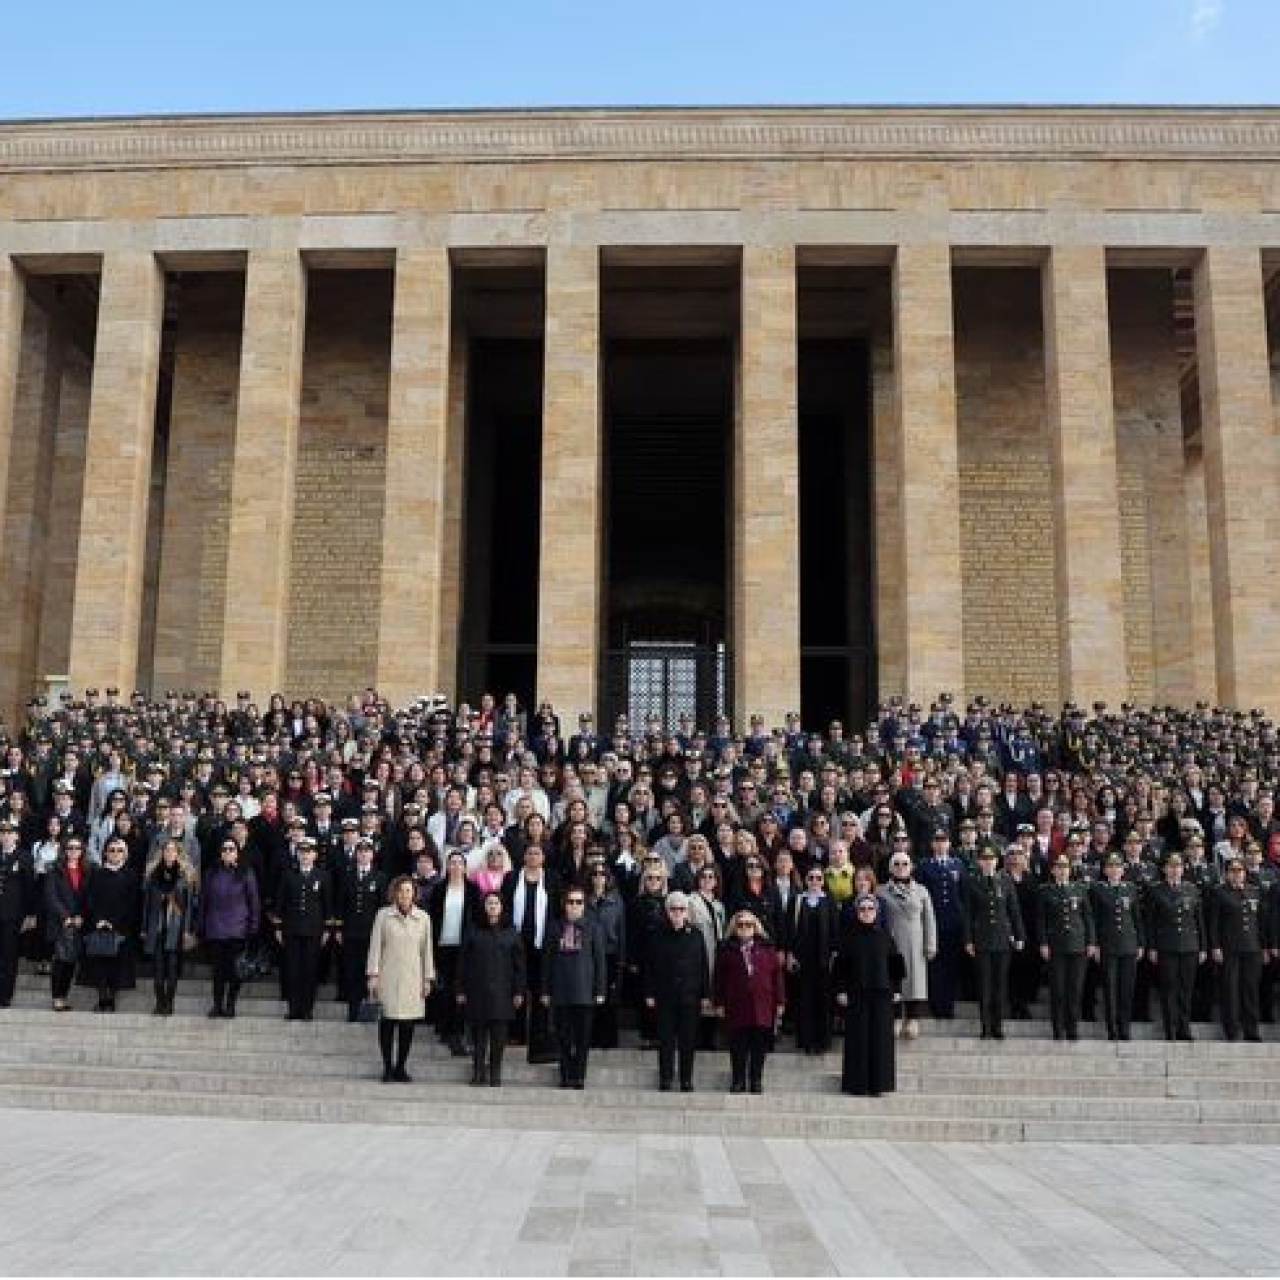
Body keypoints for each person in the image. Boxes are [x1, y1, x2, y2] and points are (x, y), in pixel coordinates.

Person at [834, 894, 905, 1096]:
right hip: (856, 995)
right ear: (857, 913)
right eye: (862, 909)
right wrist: (841, 991)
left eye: (870, 909)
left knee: (880, 1041)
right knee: (858, 1040)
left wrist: (897, 990)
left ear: (876, 912)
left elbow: (896, 967)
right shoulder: (847, 938)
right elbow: (840, 968)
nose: (866, 913)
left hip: (882, 995)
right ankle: (858, 1085)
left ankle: (879, 1085)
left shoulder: (887, 937)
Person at [366, 874, 435, 1082]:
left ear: (415, 893)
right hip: (388, 976)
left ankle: (401, 1067)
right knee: (387, 1023)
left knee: (407, 1026)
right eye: (401, 890)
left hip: (413, 978)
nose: (405, 894)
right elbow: (376, 946)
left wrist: (427, 978)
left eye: (408, 890)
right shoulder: (383, 915)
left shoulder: (423, 918)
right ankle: (387, 1067)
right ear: (394, 893)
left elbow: (427, 951)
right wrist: (373, 975)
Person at [457, 891, 526, 1086]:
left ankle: (495, 1073)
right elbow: (463, 962)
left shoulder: (512, 932)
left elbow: (520, 966)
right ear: (484, 906)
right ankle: (478, 1072)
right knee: (479, 1036)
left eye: (496, 903)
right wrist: (460, 989)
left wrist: (519, 991)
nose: (493, 906)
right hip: (477, 990)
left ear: (502, 907)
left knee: (498, 1037)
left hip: (503, 993)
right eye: (489, 903)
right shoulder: (473, 930)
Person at [645, 891, 712, 1092]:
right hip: (665, 996)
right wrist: (649, 993)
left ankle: (686, 1079)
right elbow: (649, 966)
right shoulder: (656, 935)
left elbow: (703, 966)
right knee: (665, 1041)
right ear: (667, 912)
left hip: (690, 997)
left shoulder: (697, 935)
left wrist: (705, 994)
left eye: (681, 909)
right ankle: (665, 1079)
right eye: (673, 909)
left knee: (688, 1041)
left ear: (687, 913)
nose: (677, 913)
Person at [714, 910, 785, 1093]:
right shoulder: (726, 948)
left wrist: (780, 1002)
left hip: (762, 1004)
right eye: (741, 925)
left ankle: (756, 1080)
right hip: (736, 1004)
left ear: (755, 927)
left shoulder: (768, 948)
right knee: (738, 1046)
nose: (745, 928)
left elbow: (777, 977)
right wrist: (719, 1002)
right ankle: (738, 1080)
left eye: (749, 924)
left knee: (759, 1047)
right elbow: (719, 978)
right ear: (734, 928)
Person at [542, 887, 607, 1089]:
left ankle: (579, 1076)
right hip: (561, 992)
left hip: (585, 993)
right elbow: (547, 961)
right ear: (565, 904)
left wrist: (600, 990)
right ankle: (565, 1075)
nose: (574, 906)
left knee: (582, 1038)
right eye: (571, 902)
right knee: (563, 1038)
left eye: (579, 902)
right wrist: (545, 990)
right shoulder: (554, 927)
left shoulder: (593, 927)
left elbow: (600, 961)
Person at [962, 845, 1025, 1040]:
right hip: (982, 939)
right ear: (979, 861)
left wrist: (1020, 935)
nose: (988, 862)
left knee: (1000, 986)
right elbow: (967, 913)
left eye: (992, 859)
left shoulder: (1005, 881)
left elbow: (1014, 911)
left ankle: (998, 1026)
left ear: (997, 861)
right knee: (985, 986)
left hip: (1002, 940)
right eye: (984, 858)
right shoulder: (972, 881)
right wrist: (968, 939)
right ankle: (986, 1026)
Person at [1144, 852, 1206, 1041]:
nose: (1174, 870)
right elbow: (1151, 922)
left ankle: (1184, 1028)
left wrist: (1203, 947)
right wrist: (1152, 947)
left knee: (1186, 989)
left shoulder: (1192, 889)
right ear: (1164, 869)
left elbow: (1199, 921)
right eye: (1171, 866)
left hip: (1189, 945)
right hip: (1166, 945)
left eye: (1178, 867)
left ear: (1183, 869)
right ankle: (1170, 1028)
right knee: (1169, 988)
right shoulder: (1156, 890)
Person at [877, 850, 936, 1040]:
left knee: (915, 982)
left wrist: (931, 943)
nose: (901, 868)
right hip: (891, 943)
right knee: (893, 981)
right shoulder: (881, 891)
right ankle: (894, 1018)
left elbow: (929, 919)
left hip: (915, 943)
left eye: (904, 864)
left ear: (911, 867)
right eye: (896, 864)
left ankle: (912, 1019)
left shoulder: (922, 890)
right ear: (890, 868)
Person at [199, 838, 261, 1019]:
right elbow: (204, 901)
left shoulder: (246, 872)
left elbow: (254, 902)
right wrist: (201, 924)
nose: (227, 852)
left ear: (237, 852)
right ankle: (217, 1004)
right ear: (220, 852)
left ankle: (230, 1004)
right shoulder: (211, 873)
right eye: (224, 849)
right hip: (216, 930)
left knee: (236, 971)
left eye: (231, 849)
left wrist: (253, 926)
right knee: (217, 971)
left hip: (238, 930)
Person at [272, 839, 333, 1021]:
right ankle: (293, 1009)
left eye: (309, 852)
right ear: (298, 855)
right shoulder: (289, 875)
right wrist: (278, 927)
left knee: (309, 971)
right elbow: (280, 903)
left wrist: (327, 930)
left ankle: (307, 1010)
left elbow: (327, 906)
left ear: (314, 855)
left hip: (314, 931)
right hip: (292, 930)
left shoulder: (323, 876)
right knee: (292, 971)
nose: (305, 856)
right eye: (302, 852)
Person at [1038, 853, 1097, 1041]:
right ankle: (1058, 1028)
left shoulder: (1079, 889)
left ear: (1070, 870)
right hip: (1056, 945)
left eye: (1065, 868)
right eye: (1059, 868)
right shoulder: (1045, 890)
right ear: (1053, 870)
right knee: (1058, 990)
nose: (1062, 871)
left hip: (1078, 946)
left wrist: (1091, 942)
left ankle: (1072, 1028)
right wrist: (1043, 943)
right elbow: (1041, 920)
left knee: (1075, 989)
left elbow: (1088, 917)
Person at [428, 850, 481, 1055]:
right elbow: (433, 917)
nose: (456, 866)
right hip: (443, 945)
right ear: (447, 867)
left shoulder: (473, 890)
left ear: (465, 867)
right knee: (444, 988)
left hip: (464, 946)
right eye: (452, 863)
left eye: (460, 863)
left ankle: (458, 1030)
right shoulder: (439, 889)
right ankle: (444, 1027)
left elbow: (476, 919)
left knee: (460, 988)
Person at [783, 865, 839, 1053]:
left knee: (824, 1000)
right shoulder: (797, 900)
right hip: (803, 960)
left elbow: (835, 931)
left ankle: (823, 1041)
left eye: (818, 878)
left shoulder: (829, 901)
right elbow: (789, 929)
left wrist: (834, 955)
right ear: (805, 880)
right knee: (804, 1000)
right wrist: (790, 954)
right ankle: (806, 1041)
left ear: (823, 881)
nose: (815, 881)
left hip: (824, 960)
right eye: (811, 878)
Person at [80, 836, 140, 1013]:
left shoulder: (131, 875)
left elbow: (132, 902)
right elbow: (89, 898)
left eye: (119, 850)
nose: (115, 853)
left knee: (117, 965)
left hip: (122, 927)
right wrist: (98, 919)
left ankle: (111, 999)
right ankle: (101, 998)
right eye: (112, 850)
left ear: (125, 854)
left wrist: (114, 922)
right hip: (97, 925)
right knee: (99, 964)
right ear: (105, 853)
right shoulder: (96, 873)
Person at [1207, 857, 1264, 1041]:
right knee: (1230, 990)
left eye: (1240, 871)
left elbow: (1260, 922)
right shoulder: (1219, 893)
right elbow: (1213, 923)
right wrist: (1215, 946)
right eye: (1233, 871)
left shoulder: (1254, 891)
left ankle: (1251, 1030)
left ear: (1245, 873)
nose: (1237, 874)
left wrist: (1263, 946)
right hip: (1229, 948)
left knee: (1250, 990)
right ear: (1227, 874)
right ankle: (1232, 1030)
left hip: (1252, 947)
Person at [1090, 851, 1145, 1041]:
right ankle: (1112, 1027)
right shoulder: (1098, 889)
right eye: (1111, 867)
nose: (1114, 870)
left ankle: (1125, 1027)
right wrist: (1095, 943)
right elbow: (1093, 919)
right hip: (1107, 944)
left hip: (1129, 944)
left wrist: (1141, 943)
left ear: (1123, 870)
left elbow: (1137, 918)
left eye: (1118, 867)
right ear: (1105, 870)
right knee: (1110, 988)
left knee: (1127, 989)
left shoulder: (1130, 889)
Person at [140, 837, 197, 1016]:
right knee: (157, 967)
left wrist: (187, 929)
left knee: (172, 966)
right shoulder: (153, 875)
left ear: (178, 854)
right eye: (167, 850)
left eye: (173, 850)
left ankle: (169, 1002)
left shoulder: (184, 876)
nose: (169, 853)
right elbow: (146, 904)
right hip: (156, 926)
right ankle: (160, 1002)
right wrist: (144, 927)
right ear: (162, 853)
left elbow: (188, 906)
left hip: (176, 926)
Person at [334, 838, 388, 1022]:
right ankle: (353, 1009)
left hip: (371, 933)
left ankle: (368, 1009)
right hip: (350, 932)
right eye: (361, 851)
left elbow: (383, 908)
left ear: (372, 855)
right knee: (351, 971)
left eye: (367, 851)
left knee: (369, 971)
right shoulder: (348, 876)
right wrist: (339, 928)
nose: (364, 855)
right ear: (356, 854)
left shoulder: (379, 877)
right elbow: (341, 903)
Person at [585, 860, 626, 1049]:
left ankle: (609, 1040)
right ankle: (591, 1038)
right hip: (589, 956)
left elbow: (622, 931)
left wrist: (621, 959)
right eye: (595, 874)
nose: (598, 878)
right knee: (591, 997)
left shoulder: (616, 901)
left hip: (610, 955)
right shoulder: (583, 900)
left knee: (610, 1000)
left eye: (602, 874)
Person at [45, 837, 89, 1012]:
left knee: (71, 962)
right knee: (60, 961)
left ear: (82, 851)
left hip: (78, 923)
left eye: (77, 848)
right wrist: (65, 917)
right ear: (64, 850)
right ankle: (56, 998)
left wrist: (81, 916)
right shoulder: (54, 869)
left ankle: (63, 996)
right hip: (60, 922)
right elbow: (51, 896)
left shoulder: (87, 870)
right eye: (70, 847)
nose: (73, 851)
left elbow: (88, 897)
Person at [0, 818, 36, 1007]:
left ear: (17, 836)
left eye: (9, 833)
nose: (5, 836)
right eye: (3, 833)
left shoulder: (24, 857)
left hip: (12, 915)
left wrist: (30, 914)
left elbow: (30, 888)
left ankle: (5, 995)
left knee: (8, 955)